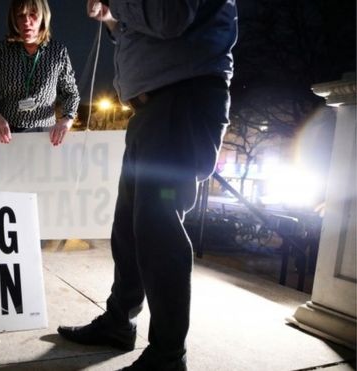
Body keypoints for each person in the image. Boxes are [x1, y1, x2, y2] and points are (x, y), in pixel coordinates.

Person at [57, 1, 237, 370]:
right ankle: (120, 321)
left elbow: (170, 17)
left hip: (182, 101)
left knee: (157, 224)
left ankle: (168, 355)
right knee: (129, 226)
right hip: (154, 107)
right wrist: (110, 17)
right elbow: (141, 25)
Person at [0, 0, 80, 146]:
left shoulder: (57, 52)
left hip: (44, 137)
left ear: (43, 17)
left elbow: (71, 94)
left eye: (33, 15)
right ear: (13, 19)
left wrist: (67, 119)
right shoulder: (1, 50)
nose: (26, 22)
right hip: (6, 136)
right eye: (20, 16)